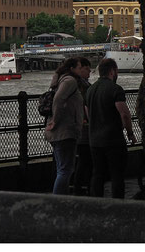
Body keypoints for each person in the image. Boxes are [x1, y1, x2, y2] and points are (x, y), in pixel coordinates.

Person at [85, 57, 137, 198]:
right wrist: (130, 133)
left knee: (98, 173)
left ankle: (97, 202)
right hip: (113, 139)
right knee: (117, 174)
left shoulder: (90, 90)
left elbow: (88, 113)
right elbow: (124, 114)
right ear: (113, 71)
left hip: (94, 140)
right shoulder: (115, 89)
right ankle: (117, 204)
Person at [44, 57, 85, 194]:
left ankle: (62, 198)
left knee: (62, 168)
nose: (81, 70)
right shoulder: (70, 81)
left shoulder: (59, 80)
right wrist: (55, 120)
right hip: (65, 131)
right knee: (65, 170)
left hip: (58, 132)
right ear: (72, 69)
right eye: (79, 67)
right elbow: (58, 99)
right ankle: (58, 201)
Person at [72, 57, 93, 195]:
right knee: (86, 160)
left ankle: (79, 188)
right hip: (84, 129)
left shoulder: (75, 84)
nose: (89, 73)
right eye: (87, 69)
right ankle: (81, 189)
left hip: (76, 128)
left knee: (81, 160)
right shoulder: (83, 87)